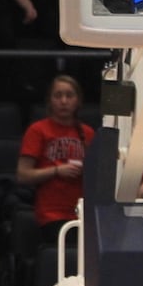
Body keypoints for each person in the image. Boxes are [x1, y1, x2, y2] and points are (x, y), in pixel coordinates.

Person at [17, 75, 94, 242]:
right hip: (51, 213)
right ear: (50, 101)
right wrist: (57, 171)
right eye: (58, 96)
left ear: (78, 101)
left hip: (82, 211)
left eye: (69, 95)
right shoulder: (38, 130)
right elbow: (23, 174)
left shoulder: (87, 133)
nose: (64, 101)